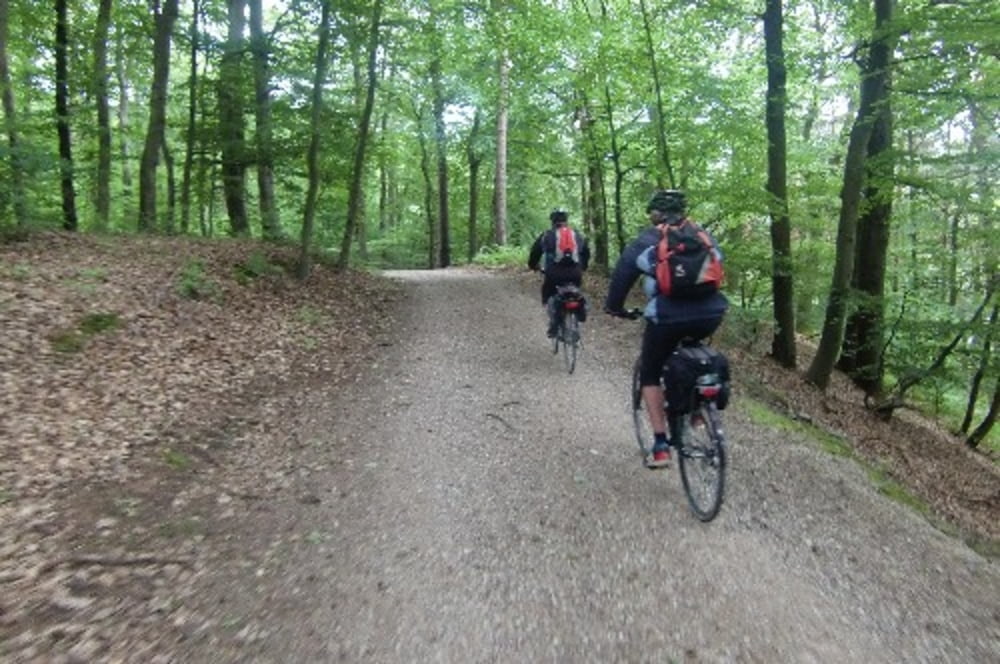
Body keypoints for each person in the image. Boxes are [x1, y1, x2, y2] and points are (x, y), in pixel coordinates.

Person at [604, 189, 728, 468]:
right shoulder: (702, 235)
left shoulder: (649, 239)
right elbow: (719, 266)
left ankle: (660, 445)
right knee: (698, 356)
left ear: (656, 213)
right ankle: (698, 412)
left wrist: (614, 307)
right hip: (712, 312)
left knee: (650, 371)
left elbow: (624, 273)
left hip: (668, 316)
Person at [528, 208, 591, 337]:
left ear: (553, 221)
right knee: (576, 291)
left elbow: (535, 252)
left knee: (548, 293)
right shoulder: (577, 235)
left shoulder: (547, 235)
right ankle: (580, 309)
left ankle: (554, 325)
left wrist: (533, 265)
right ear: (566, 221)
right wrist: (583, 267)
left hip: (554, 274)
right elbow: (586, 252)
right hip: (575, 273)